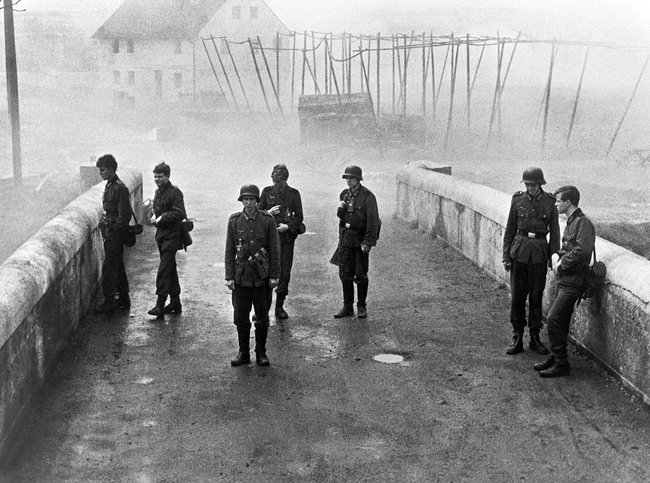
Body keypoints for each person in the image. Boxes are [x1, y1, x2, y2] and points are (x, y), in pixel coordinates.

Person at [535, 186, 595, 378]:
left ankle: (561, 363)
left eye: (559, 201)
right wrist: (557, 254)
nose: (556, 204)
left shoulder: (582, 223)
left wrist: (562, 263)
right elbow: (568, 247)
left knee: (553, 320)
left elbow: (582, 251)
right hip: (566, 280)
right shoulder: (571, 222)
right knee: (560, 321)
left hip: (575, 281)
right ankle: (555, 356)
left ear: (568, 202)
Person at [502, 167, 560, 355]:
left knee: (536, 297)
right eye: (527, 185)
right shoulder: (517, 200)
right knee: (518, 297)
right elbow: (510, 229)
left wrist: (553, 257)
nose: (530, 188)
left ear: (541, 184)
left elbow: (555, 233)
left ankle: (535, 337)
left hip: (539, 254)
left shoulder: (550, 203)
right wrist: (506, 256)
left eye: (534, 185)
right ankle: (517, 336)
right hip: (519, 252)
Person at [225, 184, 280, 366]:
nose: (249, 203)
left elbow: (274, 250)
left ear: (257, 201)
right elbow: (229, 251)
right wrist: (229, 276)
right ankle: (243, 353)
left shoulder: (267, 220)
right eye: (245, 199)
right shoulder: (234, 221)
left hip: (261, 279)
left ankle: (261, 352)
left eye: (252, 199)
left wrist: (274, 275)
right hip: (241, 278)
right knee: (240, 317)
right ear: (242, 201)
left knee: (262, 318)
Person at [332, 165, 380, 319]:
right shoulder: (344, 195)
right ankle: (347, 306)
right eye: (347, 178)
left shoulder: (368, 197)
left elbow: (373, 222)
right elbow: (343, 218)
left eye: (352, 178)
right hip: (346, 238)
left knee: (360, 274)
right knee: (344, 273)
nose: (349, 181)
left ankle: (361, 305)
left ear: (358, 179)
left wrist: (368, 241)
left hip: (360, 239)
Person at [257, 164, 304, 319]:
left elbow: (299, 217)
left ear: (285, 180)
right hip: (268, 240)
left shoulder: (293, 194)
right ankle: (263, 310)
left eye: (278, 181)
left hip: (285, 240)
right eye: (273, 180)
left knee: (284, 273)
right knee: (265, 273)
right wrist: (268, 213)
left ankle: (279, 306)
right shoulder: (266, 192)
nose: (275, 184)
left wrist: (288, 226)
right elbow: (257, 213)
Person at [147, 162, 187, 319]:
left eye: (160, 177)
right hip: (162, 236)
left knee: (164, 269)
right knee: (170, 269)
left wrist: (161, 218)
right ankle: (175, 302)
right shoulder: (159, 192)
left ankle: (160, 303)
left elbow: (179, 213)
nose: (157, 179)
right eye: (155, 177)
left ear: (167, 176)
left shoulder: (174, 193)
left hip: (172, 236)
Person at [95, 154, 131, 314]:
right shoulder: (110, 185)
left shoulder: (119, 188)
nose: (100, 173)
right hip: (111, 233)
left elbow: (125, 215)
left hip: (115, 234)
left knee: (110, 267)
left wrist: (113, 228)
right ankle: (123, 298)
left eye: (102, 170)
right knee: (118, 266)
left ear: (110, 169)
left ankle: (109, 300)